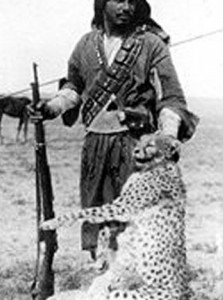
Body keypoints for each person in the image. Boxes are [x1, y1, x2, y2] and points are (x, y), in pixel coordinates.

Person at [33, 0, 199, 259]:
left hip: (135, 149)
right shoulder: (86, 45)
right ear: (102, 4)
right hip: (95, 150)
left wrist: (167, 136)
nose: (126, 7)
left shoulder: (151, 45)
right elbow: (74, 88)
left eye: (132, 1)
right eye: (119, 0)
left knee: (138, 231)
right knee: (99, 227)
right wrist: (51, 107)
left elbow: (171, 99)